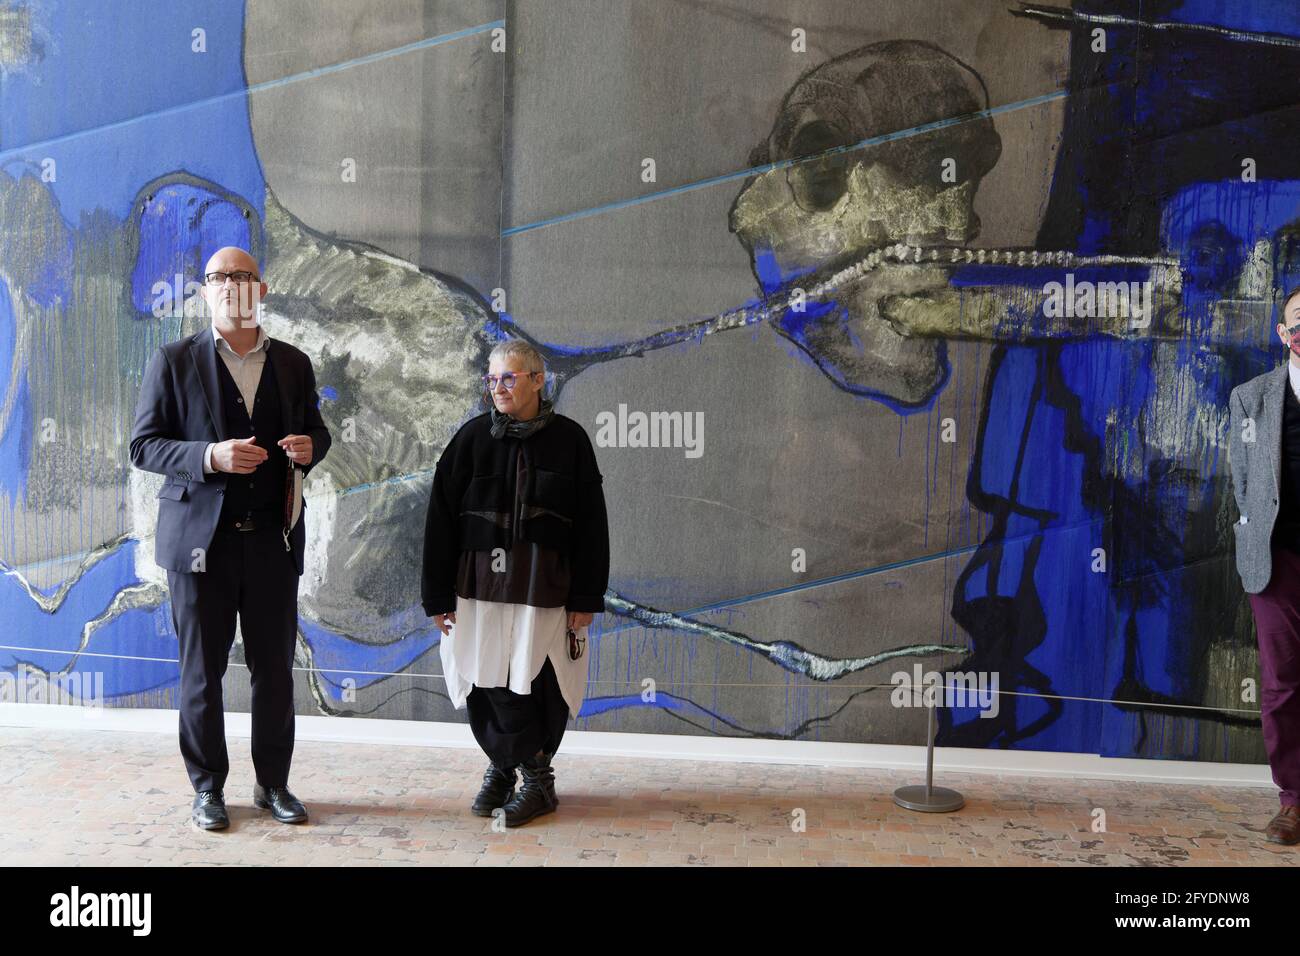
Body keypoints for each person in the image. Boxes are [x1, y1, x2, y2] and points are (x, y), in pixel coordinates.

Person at [129, 246, 331, 830]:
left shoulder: (293, 363)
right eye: (217, 278)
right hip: (199, 548)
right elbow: (144, 446)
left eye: (240, 276)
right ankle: (208, 789)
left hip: (274, 541)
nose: (228, 285)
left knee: (275, 671)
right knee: (201, 673)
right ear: (204, 292)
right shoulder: (172, 360)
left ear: (260, 289)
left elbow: (316, 429)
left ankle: (273, 785)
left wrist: (312, 448)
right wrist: (210, 456)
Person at [422, 339, 609, 826]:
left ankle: (537, 781)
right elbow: (439, 519)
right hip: (478, 589)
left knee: (536, 681)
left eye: (508, 378)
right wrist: (436, 595)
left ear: (537, 380)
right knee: (485, 679)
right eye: (491, 379)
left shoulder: (570, 441)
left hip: (543, 590)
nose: (498, 388)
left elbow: (592, 524)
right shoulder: (470, 439)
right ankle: (504, 769)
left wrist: (587, 595)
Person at [1229, 284, 1300, 846]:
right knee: (1281, 686)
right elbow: (1243, 482)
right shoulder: (1251, 397)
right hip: (1277, 563)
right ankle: (1293, 800)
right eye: (1299, 320)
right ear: (1282, 333)